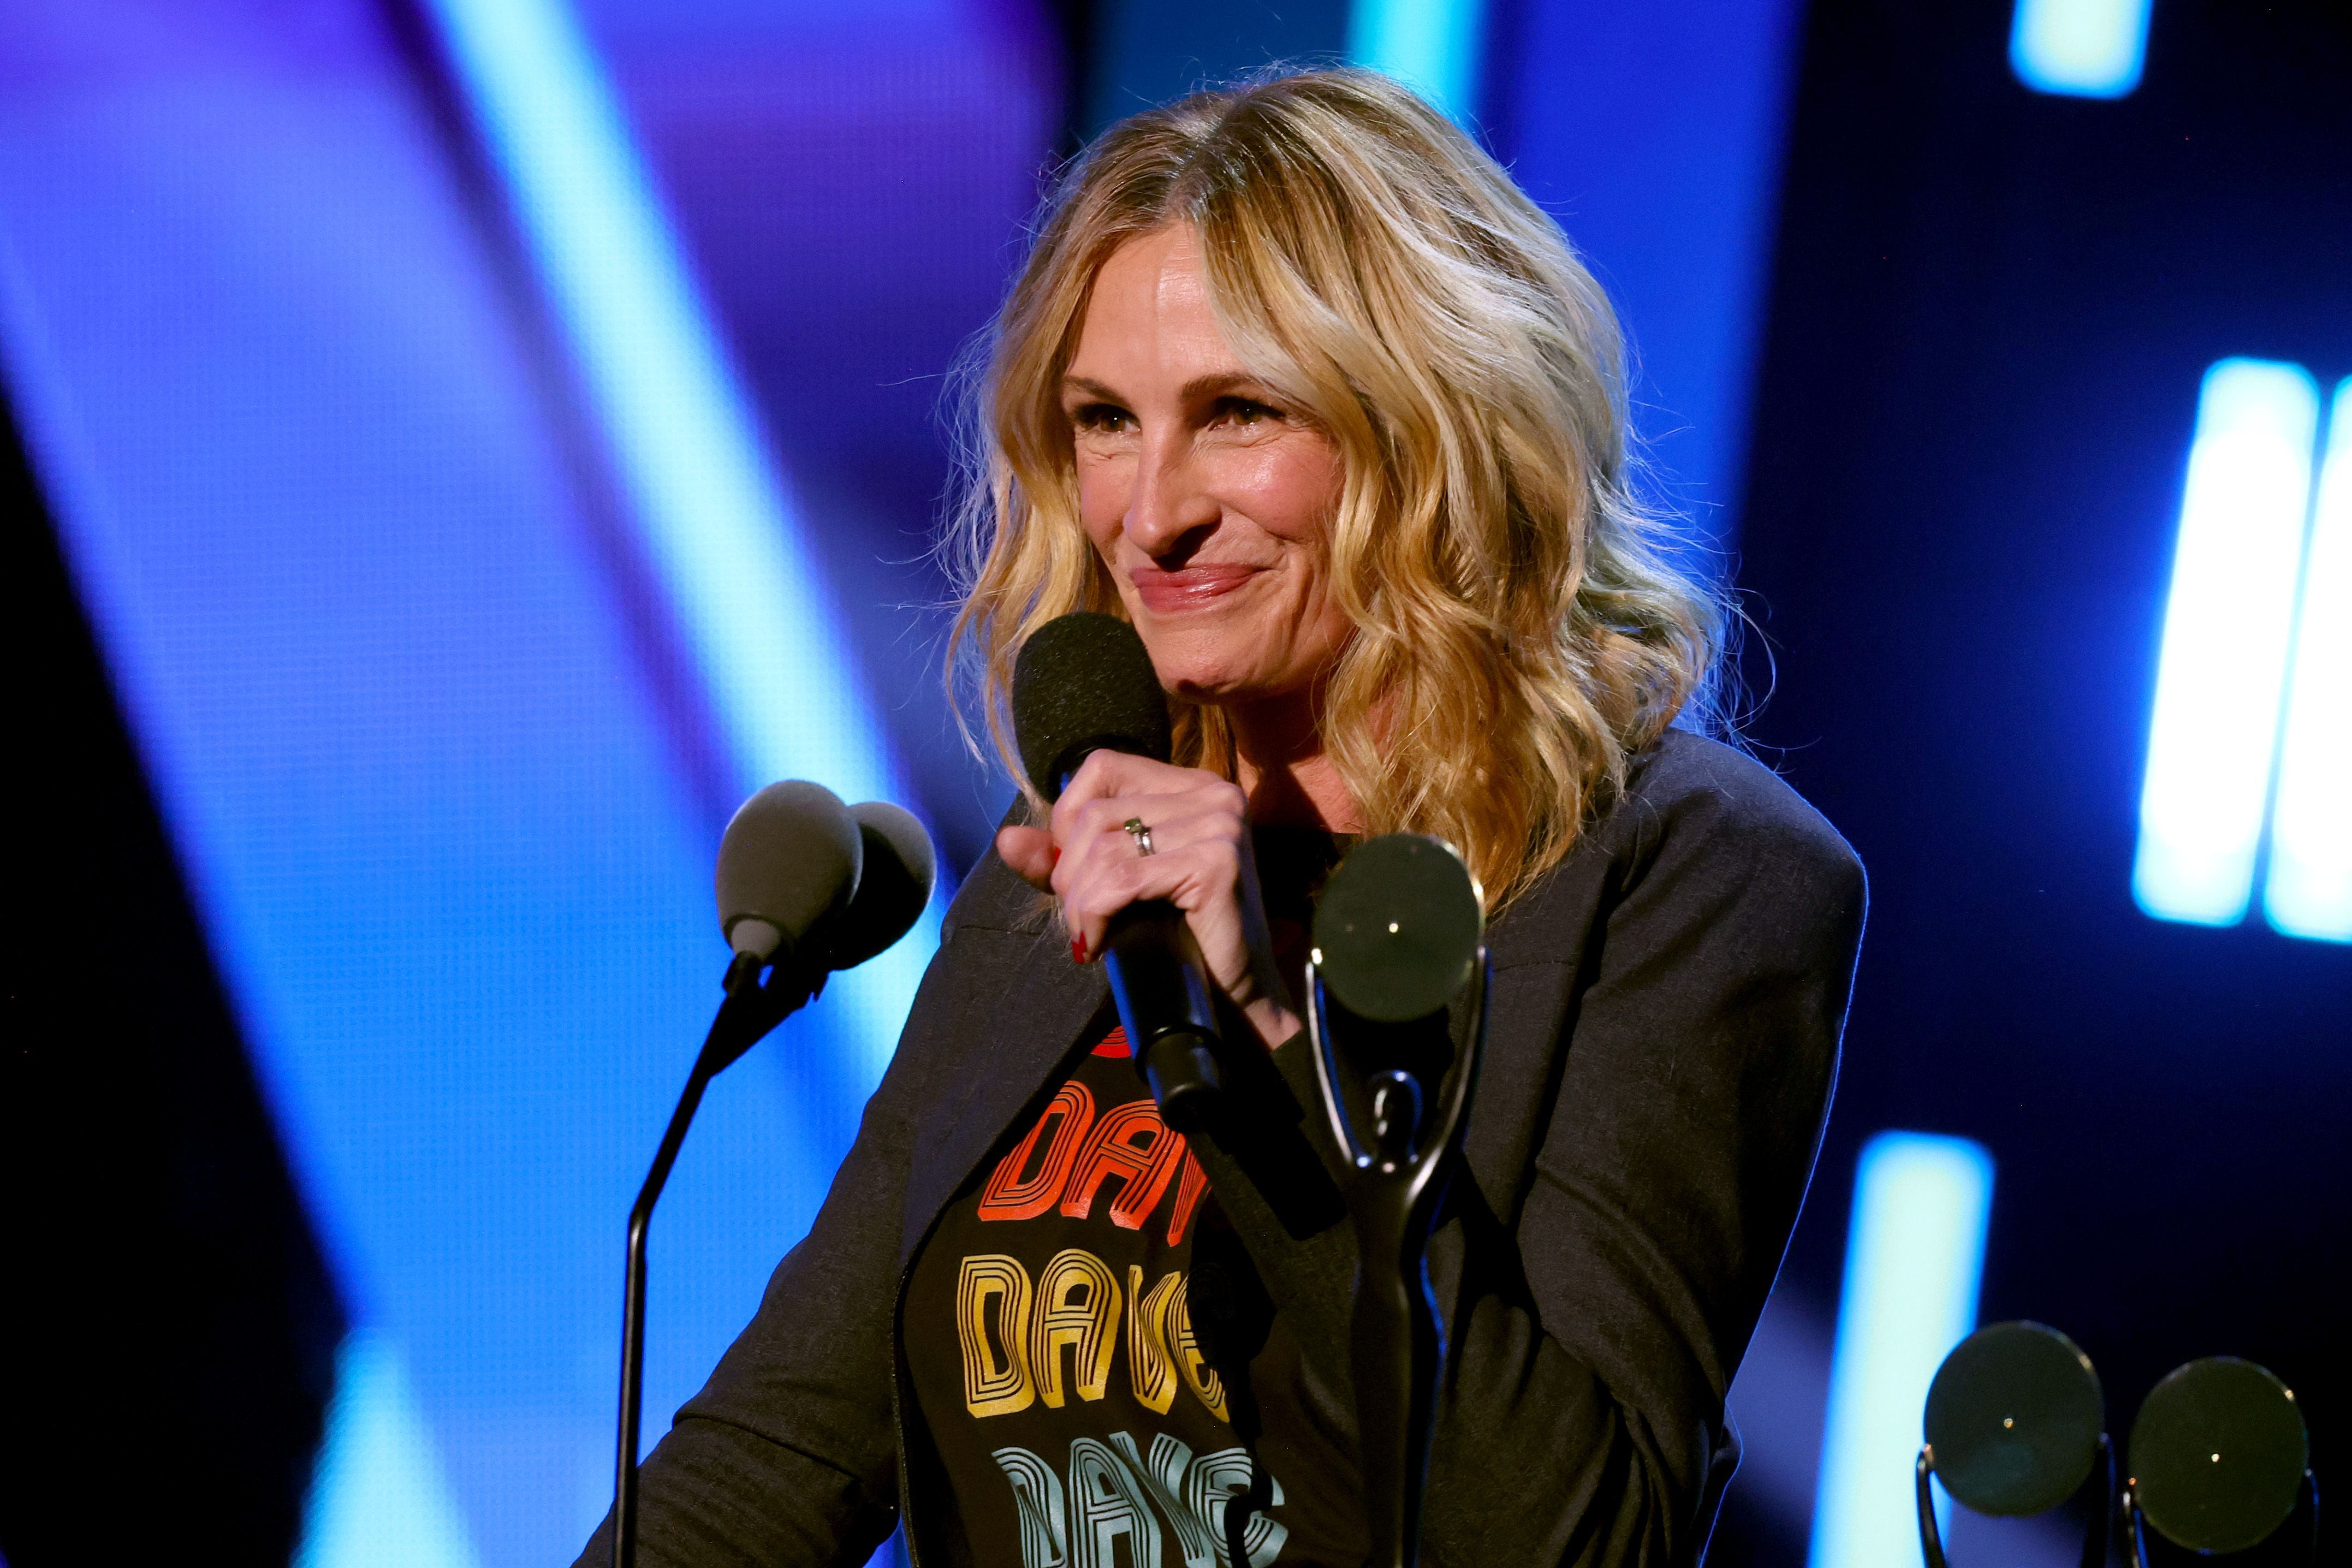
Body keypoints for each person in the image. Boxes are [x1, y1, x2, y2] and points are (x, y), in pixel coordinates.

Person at [581, 68, 1863, 1568]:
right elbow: (781, 1453)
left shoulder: (1688, 875)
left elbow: (1557, 1535)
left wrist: (1265, 1032)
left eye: (1239, 412)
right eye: (1105, 423)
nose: (1150, 510)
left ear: (1427, 428)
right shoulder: (1073, 846)